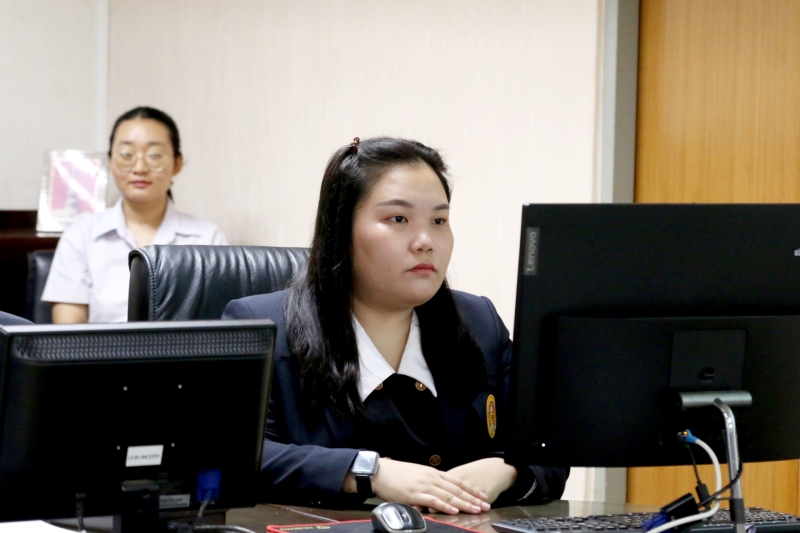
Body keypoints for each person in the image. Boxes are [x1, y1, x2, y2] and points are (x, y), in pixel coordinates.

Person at [222, 137, 568, 512]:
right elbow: (229, 453)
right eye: (398, 219)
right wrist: (368, 471)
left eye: (439, 220)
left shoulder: (479, 322)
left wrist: (506, 469)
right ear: (340, 231)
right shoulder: (264, 327)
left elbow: (549, 447)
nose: (425, 241)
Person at [42, 107, 228, 324]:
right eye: (126, 155)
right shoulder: (81, 237)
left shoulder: (208, 238)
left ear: (177, 163)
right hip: (102, 347)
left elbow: (219, 326)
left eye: (154, 155)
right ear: (111, 162)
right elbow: (68, 333)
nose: (139, 168)